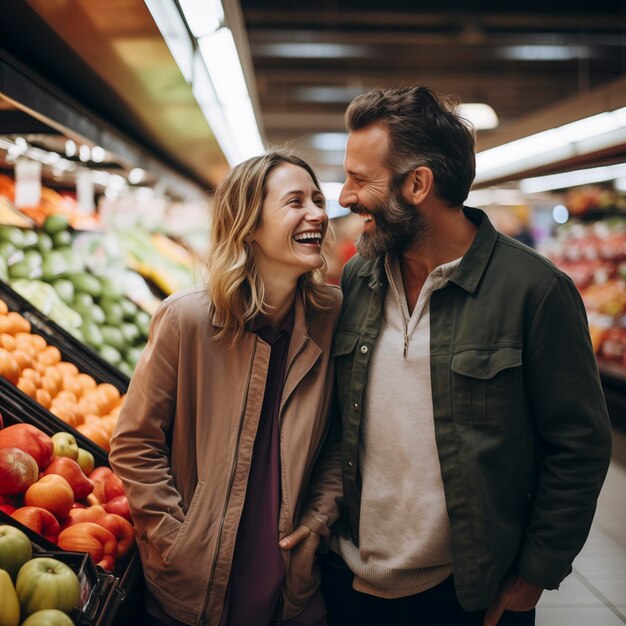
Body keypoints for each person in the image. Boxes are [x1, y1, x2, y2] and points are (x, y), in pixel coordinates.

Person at [319, 86, 613, 626]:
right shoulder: (360, 276)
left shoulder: (534, 291)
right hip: (351, 581)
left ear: (417, 184)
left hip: (468, 594)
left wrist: (536, 571)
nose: (343, 196)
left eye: (361, 180)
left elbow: (579, 444)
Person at [108, 150, 343, 626]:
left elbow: (341, 439)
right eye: (295, 201)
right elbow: (135, 444)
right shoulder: (187, 320)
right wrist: (177, 539)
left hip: (290, 583)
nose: (317, 212)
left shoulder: (332, 319)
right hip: (190, 588)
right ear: (249, 224)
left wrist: (317, 521)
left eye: (318, 199)